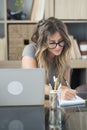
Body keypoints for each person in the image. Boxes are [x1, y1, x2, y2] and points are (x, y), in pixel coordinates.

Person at [22, 17, 76, 100]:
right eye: (52, 43)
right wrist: (57, 91)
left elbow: (64, 88)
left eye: (61, 41)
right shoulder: (31, 50)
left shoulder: (64, 56)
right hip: (33, 102)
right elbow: (31, 83)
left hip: (54, 104)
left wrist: (67, 92)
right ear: (43, 43)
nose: (58, 47)